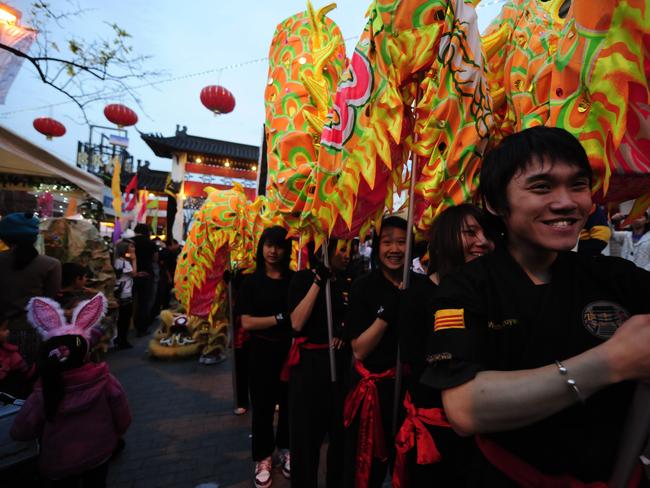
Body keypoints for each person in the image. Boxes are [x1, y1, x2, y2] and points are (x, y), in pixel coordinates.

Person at [423, 126, 650, 486]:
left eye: (578, 185)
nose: (566, 202)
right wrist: (613, 362)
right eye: (542, 187)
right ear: (496, 203)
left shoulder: (616, 277)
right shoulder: (467, 286)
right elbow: (465, 407)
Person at [11, 293, 131, 487]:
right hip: (99, 453)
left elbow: (21, 431)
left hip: (59, 463)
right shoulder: (105, 380)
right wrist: (118, 433)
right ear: (86, 353)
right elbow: (122, 414)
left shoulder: (42, 393)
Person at [342, 216, 425, 488]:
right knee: (370, 471)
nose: (394, 249)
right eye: (387, 242)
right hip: (374, 396)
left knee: (410, 471)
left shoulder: (422, 287)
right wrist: (390, 309)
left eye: (402, 242)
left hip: (412, 395)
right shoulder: (362, 287)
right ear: (377, 246)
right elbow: (360, 350)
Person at [285, 240, 349, 488]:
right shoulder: (301, 280)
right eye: (342, 249)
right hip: (308, 369)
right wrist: (317, 282)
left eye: (349, 250)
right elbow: (297, 323)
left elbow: (349, 318)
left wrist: (343, 331)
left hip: (338, 368)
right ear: (325, 251)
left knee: (339, 437)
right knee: (305, 440)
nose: (347, 255)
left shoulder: (345, 282)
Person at [237, 226, 293, 488]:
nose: (273, 251)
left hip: (289, 352)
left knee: (289, 404)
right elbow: (247, 322)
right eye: (268, 245)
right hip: (260, 353)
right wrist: (279, 319)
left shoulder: (294, 280)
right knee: (262, 408)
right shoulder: (251, 282)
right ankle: (262, 457)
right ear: (261, 247)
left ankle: (286, 448)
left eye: (279, 245)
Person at [0, 212, 61, 363]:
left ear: (4, 239)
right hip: (34, 333)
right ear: (35, 238)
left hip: (2, 331)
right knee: (32, 379)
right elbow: (49, 302)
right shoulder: (51, 265)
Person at [0, 312, 36, 399]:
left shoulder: (11, 353)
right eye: (4, 329)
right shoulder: (9, 353)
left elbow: (23, 372)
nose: (8, 331)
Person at [132, 224, 158, 336]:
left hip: (131, 275)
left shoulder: (129, 242)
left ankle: (128, 325)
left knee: (130, 301)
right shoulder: (151, 243)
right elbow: (155, 259)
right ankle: (142, 328)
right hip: (147, 274)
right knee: (144, 302)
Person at [113, 239, 137, 349]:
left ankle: (120, 339)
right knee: (125, 318)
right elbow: (134, 273)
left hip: (119, 291)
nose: (133, 249)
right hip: (125, 293)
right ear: (125, 249)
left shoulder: (117, 260)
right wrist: (134, 260)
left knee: (122, 318)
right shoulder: (125, 262)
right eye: (131, 247)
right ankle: (122, 340)